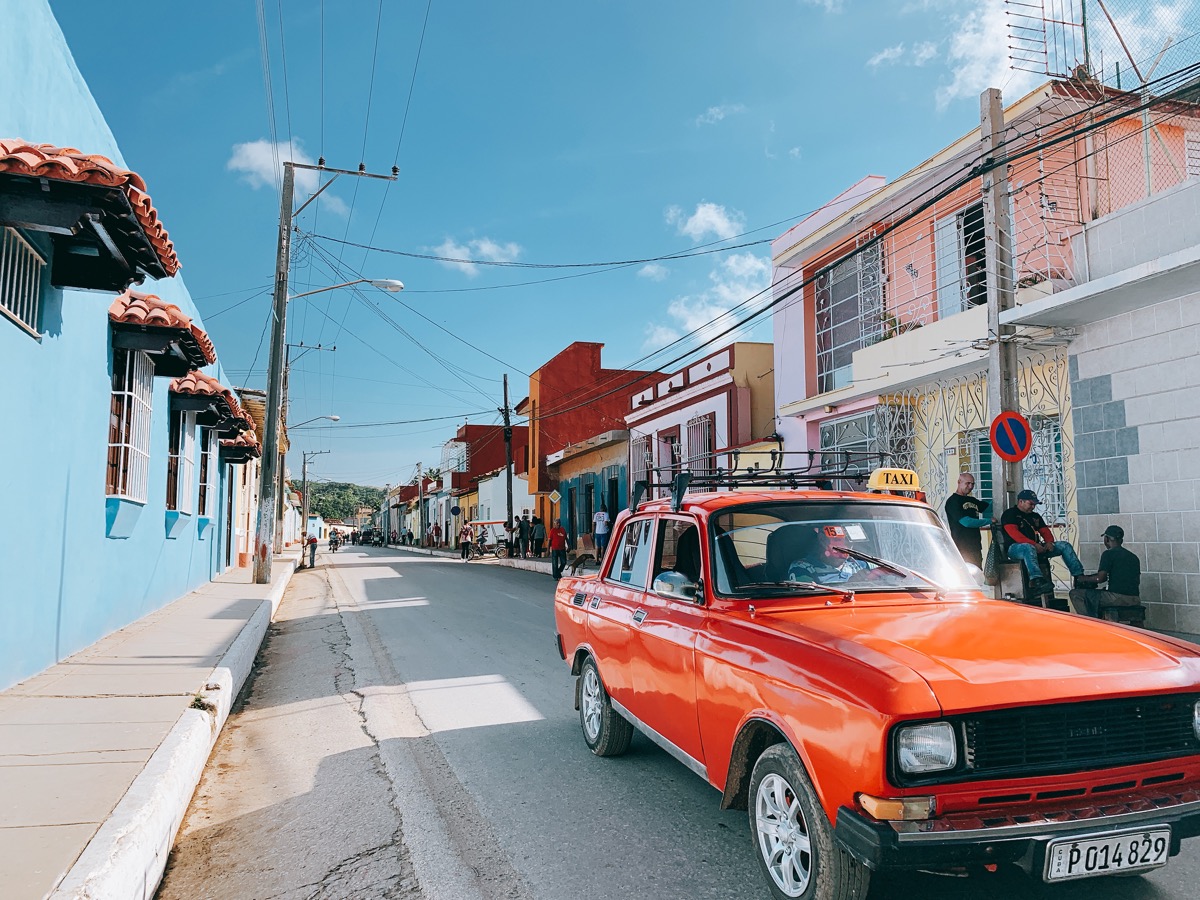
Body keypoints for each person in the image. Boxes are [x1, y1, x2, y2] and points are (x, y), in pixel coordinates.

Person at [1000, 489, 1084, 599]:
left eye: (1034, 504)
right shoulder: (1010, 514)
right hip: (1015, 548)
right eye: (1031, 504)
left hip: (1035, 547)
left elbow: (1045, 531)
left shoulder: (1035, 516)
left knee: (1064, 546)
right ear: (1021, 502)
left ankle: (1079, 577)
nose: (1033, 507)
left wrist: (1049, 542)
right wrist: (1034, 545)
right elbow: (1015, 535)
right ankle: (1037, 580)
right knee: (1028, 548)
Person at [1069, 525, 1141, 618]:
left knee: (1075, 594)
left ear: (1106, 539)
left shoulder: (1108, 554)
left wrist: (1083, 578)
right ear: (1121, 541)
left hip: (1117, 598)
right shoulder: (1133, 557)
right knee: (1098, 596)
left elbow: (1100, 578)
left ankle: (1090, 623)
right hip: (1135, 598)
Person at [944, 473, 994, 568]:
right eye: (967, 483)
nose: (970, 486)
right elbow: (966, 522)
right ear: (959, 482)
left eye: (972, 484)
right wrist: (988, 521)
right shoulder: (952, 501)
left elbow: (989, 507)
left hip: (975, 546)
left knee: (977, 575)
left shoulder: (972, 500)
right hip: (961, 547)